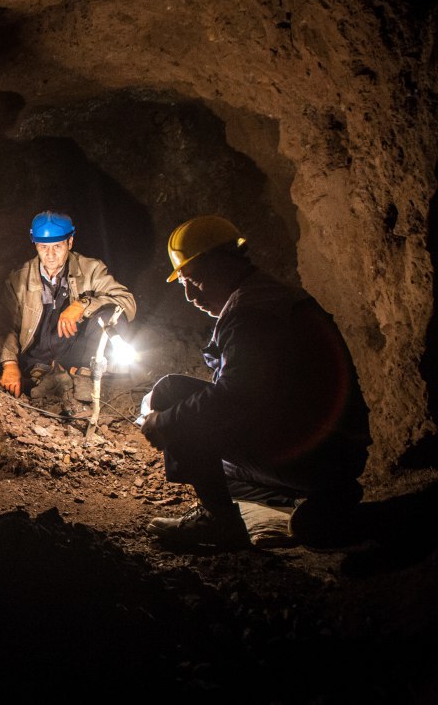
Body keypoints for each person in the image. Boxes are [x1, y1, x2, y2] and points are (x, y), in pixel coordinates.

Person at [140, 216, 372, 549]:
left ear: (222, 263)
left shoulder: (253, 313)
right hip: (332, 450)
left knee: (170, 394)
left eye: (194, 280)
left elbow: (236, 397)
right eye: (183, 285)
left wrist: (166, 420)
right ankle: (326, 494)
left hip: (314, 455)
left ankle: (219, 521)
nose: (189, 295)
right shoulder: (266, 295)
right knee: (210, 462)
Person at [0, 211, 136, 405]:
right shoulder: (19, 279)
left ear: (70, 242)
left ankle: (83, 373)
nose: (50, 255)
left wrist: (83, 304)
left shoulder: (91, 269)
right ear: (35, 245)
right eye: (44, 247)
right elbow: (3, 325)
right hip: (34, 354)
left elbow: (126, 301)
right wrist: (9, 364)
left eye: (57, 246)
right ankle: (43, 373)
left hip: (76, 350)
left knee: (110, 313)